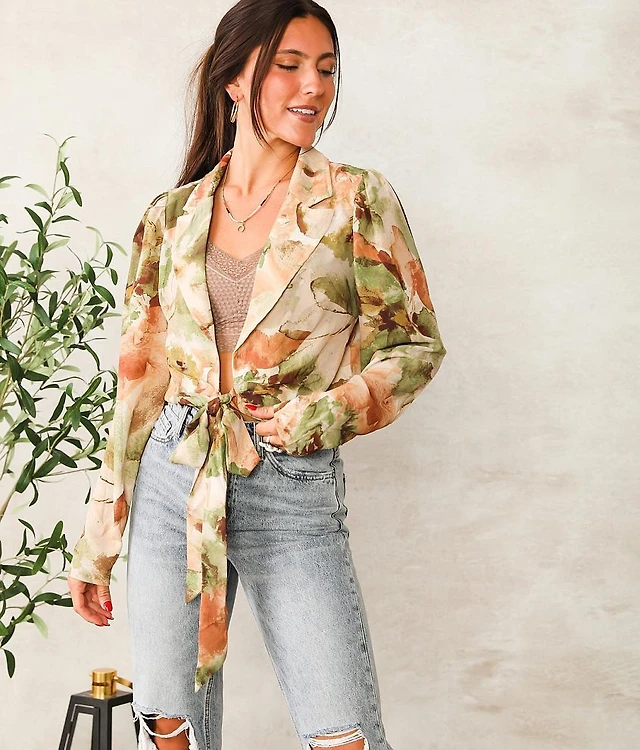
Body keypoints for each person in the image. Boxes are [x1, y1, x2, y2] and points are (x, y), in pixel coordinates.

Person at [67, 1, 446, 748]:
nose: (314, 87)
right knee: (168, 726)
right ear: (235, 80)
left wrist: (325, 412)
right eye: (289, 66)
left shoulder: (355, 200)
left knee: (342, 734)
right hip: (176, 477)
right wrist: (98, 540)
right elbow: (138, 384)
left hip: (290, 488)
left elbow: (414, 345)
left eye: (326, 69)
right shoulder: (171, 217)